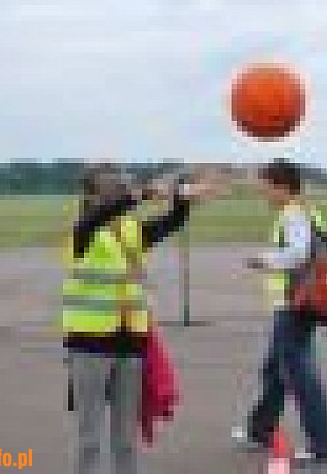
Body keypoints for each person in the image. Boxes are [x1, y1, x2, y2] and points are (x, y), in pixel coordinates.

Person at [63, 163, 221, 474]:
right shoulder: (82, 231)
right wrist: (144, 194)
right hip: (89, 345)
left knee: (125, 438)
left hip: (130, 343)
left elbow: (171, 222)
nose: (119, 191)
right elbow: (102, 215)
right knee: (89, 439)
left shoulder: (129, 231)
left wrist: (183, 198)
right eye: (112, 187)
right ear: (91, 196)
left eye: (121, 186)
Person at [234, 158, 327, 471]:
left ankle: (323, 446)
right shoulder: (308, 211)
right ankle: (260, 431)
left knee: (300, 376)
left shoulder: (293, 214)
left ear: (281, 187)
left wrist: (262, 259)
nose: (262, 193)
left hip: (294, 305)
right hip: (299, 304)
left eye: (265, 186)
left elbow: (297, 253)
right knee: (274, 371)